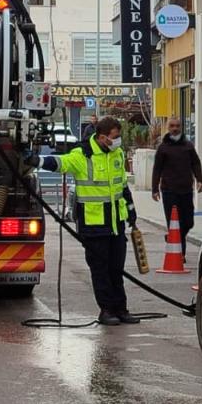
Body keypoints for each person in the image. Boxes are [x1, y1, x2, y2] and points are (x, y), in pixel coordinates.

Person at [39, 116, 138, 326]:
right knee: (100, 271)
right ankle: (106, 310)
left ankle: (121, 309)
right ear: (102, 137)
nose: (118, 140)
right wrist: (35, 160)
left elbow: (122, 185)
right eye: (115, 136)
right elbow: (60, 163)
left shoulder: (117, 153)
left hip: (115, 224)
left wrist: (130, 210)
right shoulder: (82, 155)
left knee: (116, 270)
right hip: (93, 225)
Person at [151, 117, 202, 258]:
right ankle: (180, 254)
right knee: (174, 223)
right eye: (172, 126)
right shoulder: (163, 148)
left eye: (177, 126)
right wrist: (154, 189)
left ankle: (173, 237)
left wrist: (200, 180)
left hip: (186, 190)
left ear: (181, 127)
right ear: (168, 128)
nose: (175, 128)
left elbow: (196, 163)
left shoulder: (188, 146)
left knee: (188, 222)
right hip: (169, 191)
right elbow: (157, 169)